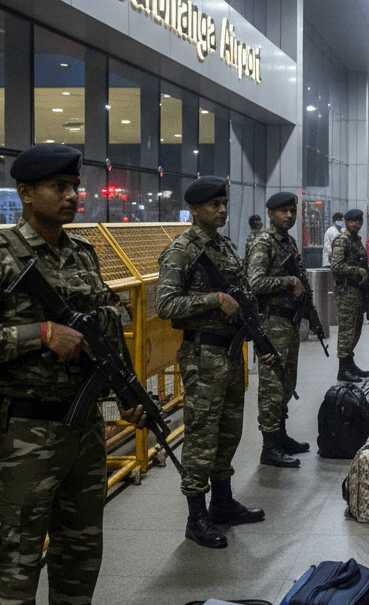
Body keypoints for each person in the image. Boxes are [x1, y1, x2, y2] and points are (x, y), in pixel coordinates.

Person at [0, 144, 145, 603]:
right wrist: (40, 333)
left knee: (81, 555)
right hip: (25, 437)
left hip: (85, 430)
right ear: (26, 193)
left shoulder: (84, 253)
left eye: (75, 186)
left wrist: (128, 391)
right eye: (59, 187)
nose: (72, 195)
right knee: (15, 564)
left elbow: (104, 331)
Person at [157, 176, 266, 548]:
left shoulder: (225, 246)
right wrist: (213, 299)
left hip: (231, 353)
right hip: (203, 356)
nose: (221, 210)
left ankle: (222, 502)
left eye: (223, 203)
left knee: (229, 429)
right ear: (194, 209)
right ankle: (196, 515)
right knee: (202, 434)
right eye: (213, 205)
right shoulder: (181, 251)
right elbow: (166, 306)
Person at [246, 192, 316, 468]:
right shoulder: (264, 242)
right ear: (271, 214)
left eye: (292, 211)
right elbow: (255, 283)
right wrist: (288, 282)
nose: (289, 215)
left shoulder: (288, 241)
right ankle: (270, 445)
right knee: (272, 385)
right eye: (283, 211)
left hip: (288, 323)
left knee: (287, 383)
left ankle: (282, 435)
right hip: (271, 323)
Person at [331, 208, 369, 382]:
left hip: (357, 291)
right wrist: (358, 270)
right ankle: (343, 369)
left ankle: (350, 364)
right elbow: (336, 266)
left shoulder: (355, 239)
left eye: (358, 221)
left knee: (356, 329)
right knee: (347, 331)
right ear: (346, 222)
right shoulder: (343, 240)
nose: (355, 224)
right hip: (347, 291)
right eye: (352, 221)